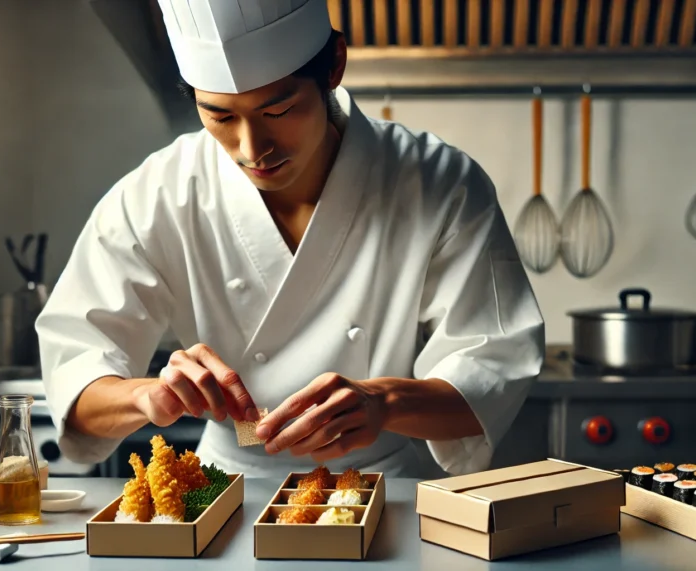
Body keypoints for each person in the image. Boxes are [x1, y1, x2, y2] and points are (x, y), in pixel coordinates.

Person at [37, 0, 544, 478]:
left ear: (334, 66)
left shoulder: (438, 182)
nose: (252, 148)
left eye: (278, 111)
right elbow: (75, 386)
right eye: (220, 116)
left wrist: (383, 403)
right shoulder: (158, 195)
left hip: (382, 490)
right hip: (224, 488)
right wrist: (148, 396)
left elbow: (493, 375)